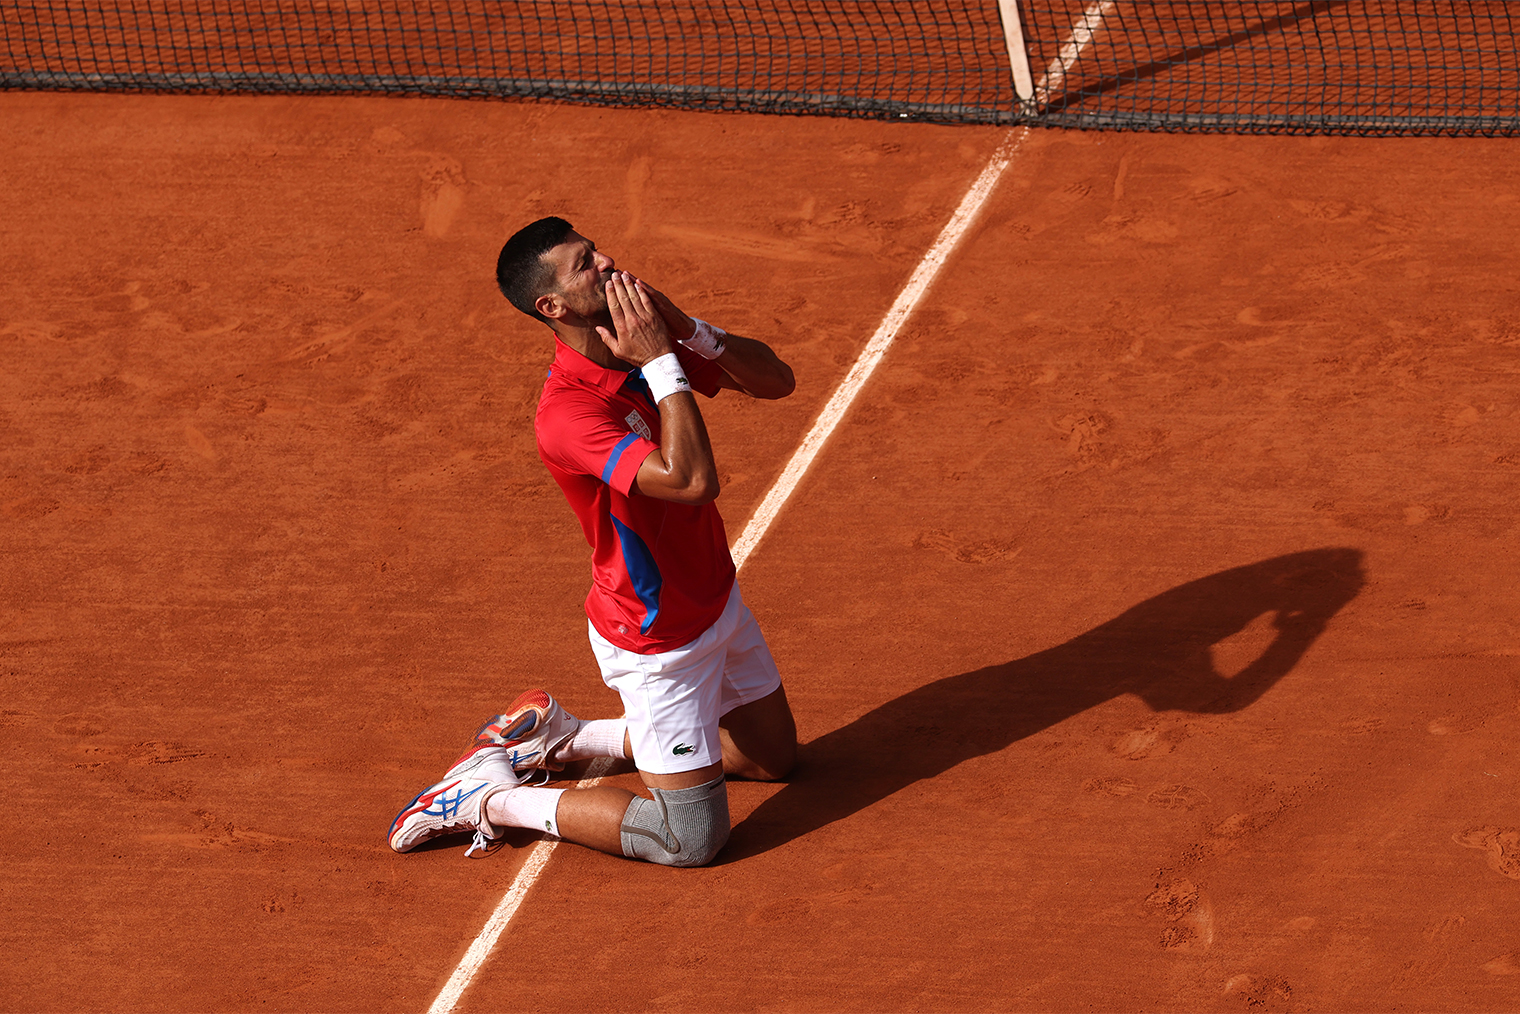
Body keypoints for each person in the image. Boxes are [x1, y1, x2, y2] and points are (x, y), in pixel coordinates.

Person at [388, 216, 798, 867]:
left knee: (774, 760)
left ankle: (566, 736)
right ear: (551, 306)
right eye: (585, 264)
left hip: (715, 598)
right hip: (656, 638)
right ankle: (488, 796)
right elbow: (692, 481)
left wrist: (685, 329)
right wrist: (664, 361)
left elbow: (778, 380)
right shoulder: (569, 413)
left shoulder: (634, 345)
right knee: (688, 840)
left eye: (596, 250)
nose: (607, 263)